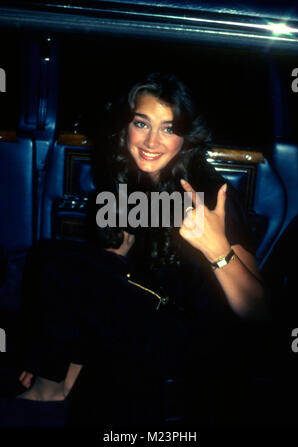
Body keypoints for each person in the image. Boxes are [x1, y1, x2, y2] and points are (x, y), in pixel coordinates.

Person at [9, 71, 267, 428]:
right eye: (141, 123)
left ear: (184, 138)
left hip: (189, 333)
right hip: (149, 302)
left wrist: (217, 249)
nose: (151, 141)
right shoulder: (131, 181)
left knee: (58, 268)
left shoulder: (207, 193)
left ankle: (50, 392)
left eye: (168, 128)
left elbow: (259, 309)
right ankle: (57, 383)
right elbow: (112, 261)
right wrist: (55, 345)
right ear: (125, 127)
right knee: (48, 255)